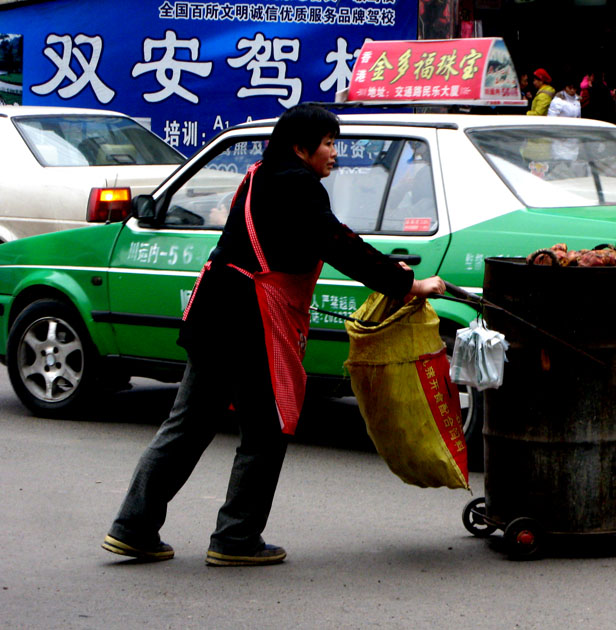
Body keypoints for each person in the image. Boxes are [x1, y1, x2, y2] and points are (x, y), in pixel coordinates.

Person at [101, 105, 446, 567]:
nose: (334, 154)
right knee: (265, 430)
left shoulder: (261, 175)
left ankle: (133, 527)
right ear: (301, 147)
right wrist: (407, 286)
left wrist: (390, 272)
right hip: (250, 320)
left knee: (186, 426)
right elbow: (336, 242)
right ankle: (236, 537)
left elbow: (315, 241)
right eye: (327, 143)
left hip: (216, 315)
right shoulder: (296, 183)